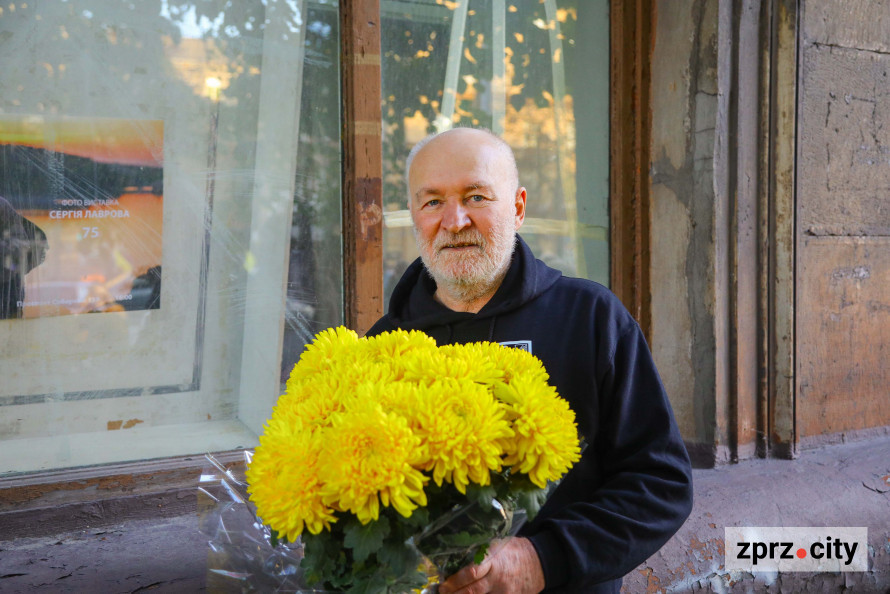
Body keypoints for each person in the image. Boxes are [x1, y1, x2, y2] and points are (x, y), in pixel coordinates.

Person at [365, 127, 693, 593]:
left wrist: (543, 560)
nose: (455, 221)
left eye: (476, 196)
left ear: (518, 208)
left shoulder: (591, 318)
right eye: (432, 202)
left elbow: (662, 484)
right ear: (415, 216)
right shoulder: (383, 347)